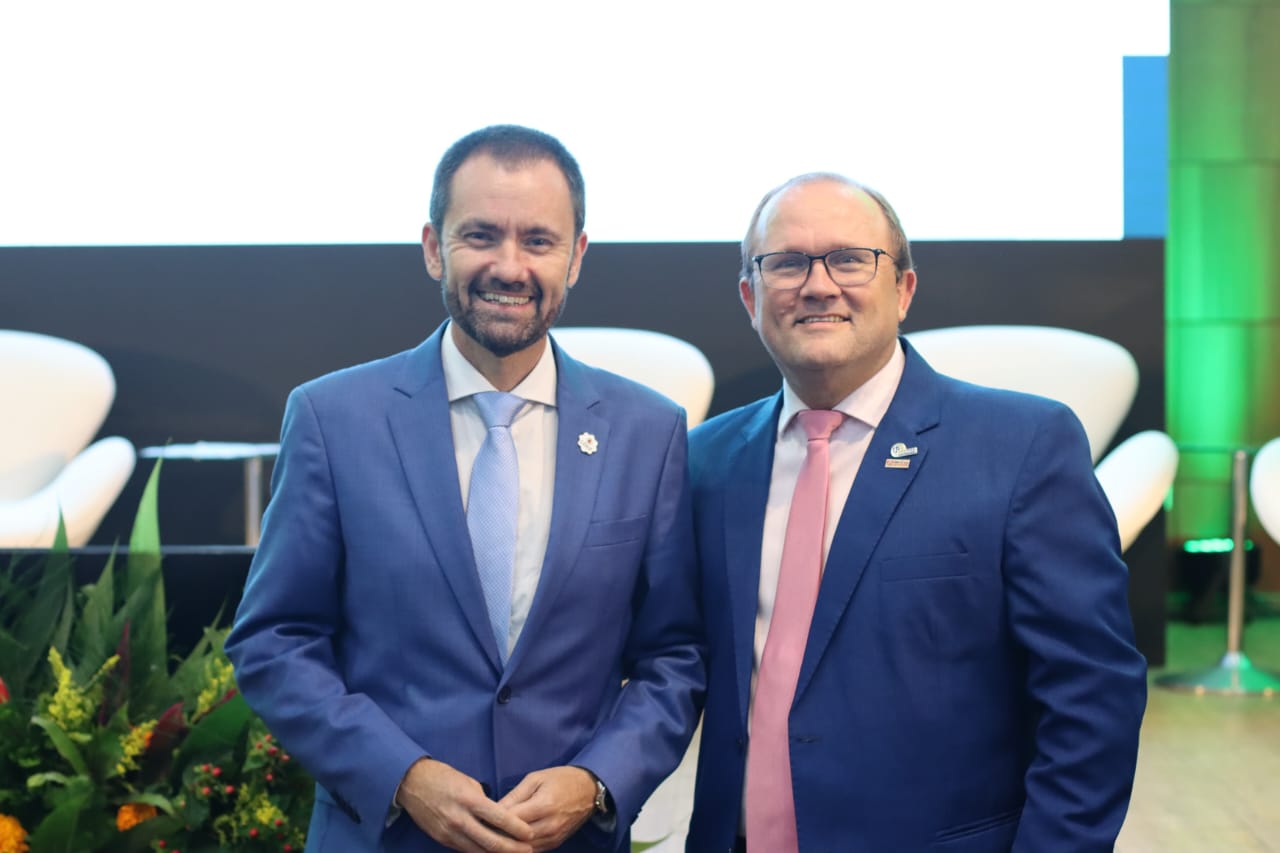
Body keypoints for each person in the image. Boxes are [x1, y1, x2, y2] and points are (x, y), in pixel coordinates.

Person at [225, 124, 704, 853]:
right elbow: (275, 640)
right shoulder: (333, 419)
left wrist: (596, 780)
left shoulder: (648, 430)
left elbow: (674, 656)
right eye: (481, 235)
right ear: (432, 247)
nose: (509, 266)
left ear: (576, 256)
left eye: (538, 240)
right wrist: (402, 775)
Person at [684, 173, 1147, 853]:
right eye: (786, 263)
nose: (817, 285)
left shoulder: (1021, 446)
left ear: (902, 289)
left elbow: (1093, 695)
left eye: (849, 259)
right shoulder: (706, 461)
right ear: (751, 297)